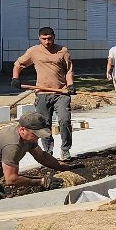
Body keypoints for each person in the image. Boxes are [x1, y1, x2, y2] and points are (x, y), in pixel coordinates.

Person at [13, 25, 74, 161]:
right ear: (39, 38)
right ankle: (48, 151)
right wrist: (15, 78)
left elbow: (69, 70)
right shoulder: (33, 51)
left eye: (50, 38)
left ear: (54, 37)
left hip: (61, 92)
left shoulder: (62, 51)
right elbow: (18, 64)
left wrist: (70, 85)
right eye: (44, 39)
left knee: (64, 120)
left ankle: (65, 150)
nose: (47, 42)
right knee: (44, 124)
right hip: (42, 93)